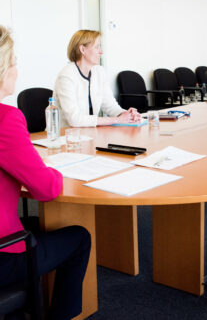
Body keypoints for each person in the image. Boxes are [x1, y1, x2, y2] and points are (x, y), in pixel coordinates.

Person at [0, 26, 91, 320]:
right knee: (79, 238)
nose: (17, 68)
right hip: (4, 257)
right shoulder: (6, 119)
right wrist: (51, 169)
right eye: (13, 60)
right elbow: (47, 190)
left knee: (33, 222)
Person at [54, 29, 141, 127]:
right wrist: (116, 119)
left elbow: (110, 106)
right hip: (66, 136)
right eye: (97, 47)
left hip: (88, 134)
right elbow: (74, 120)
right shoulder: (66, 76)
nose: (101, 52)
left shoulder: (99, 72)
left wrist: (126, 114)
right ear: (82, 49)